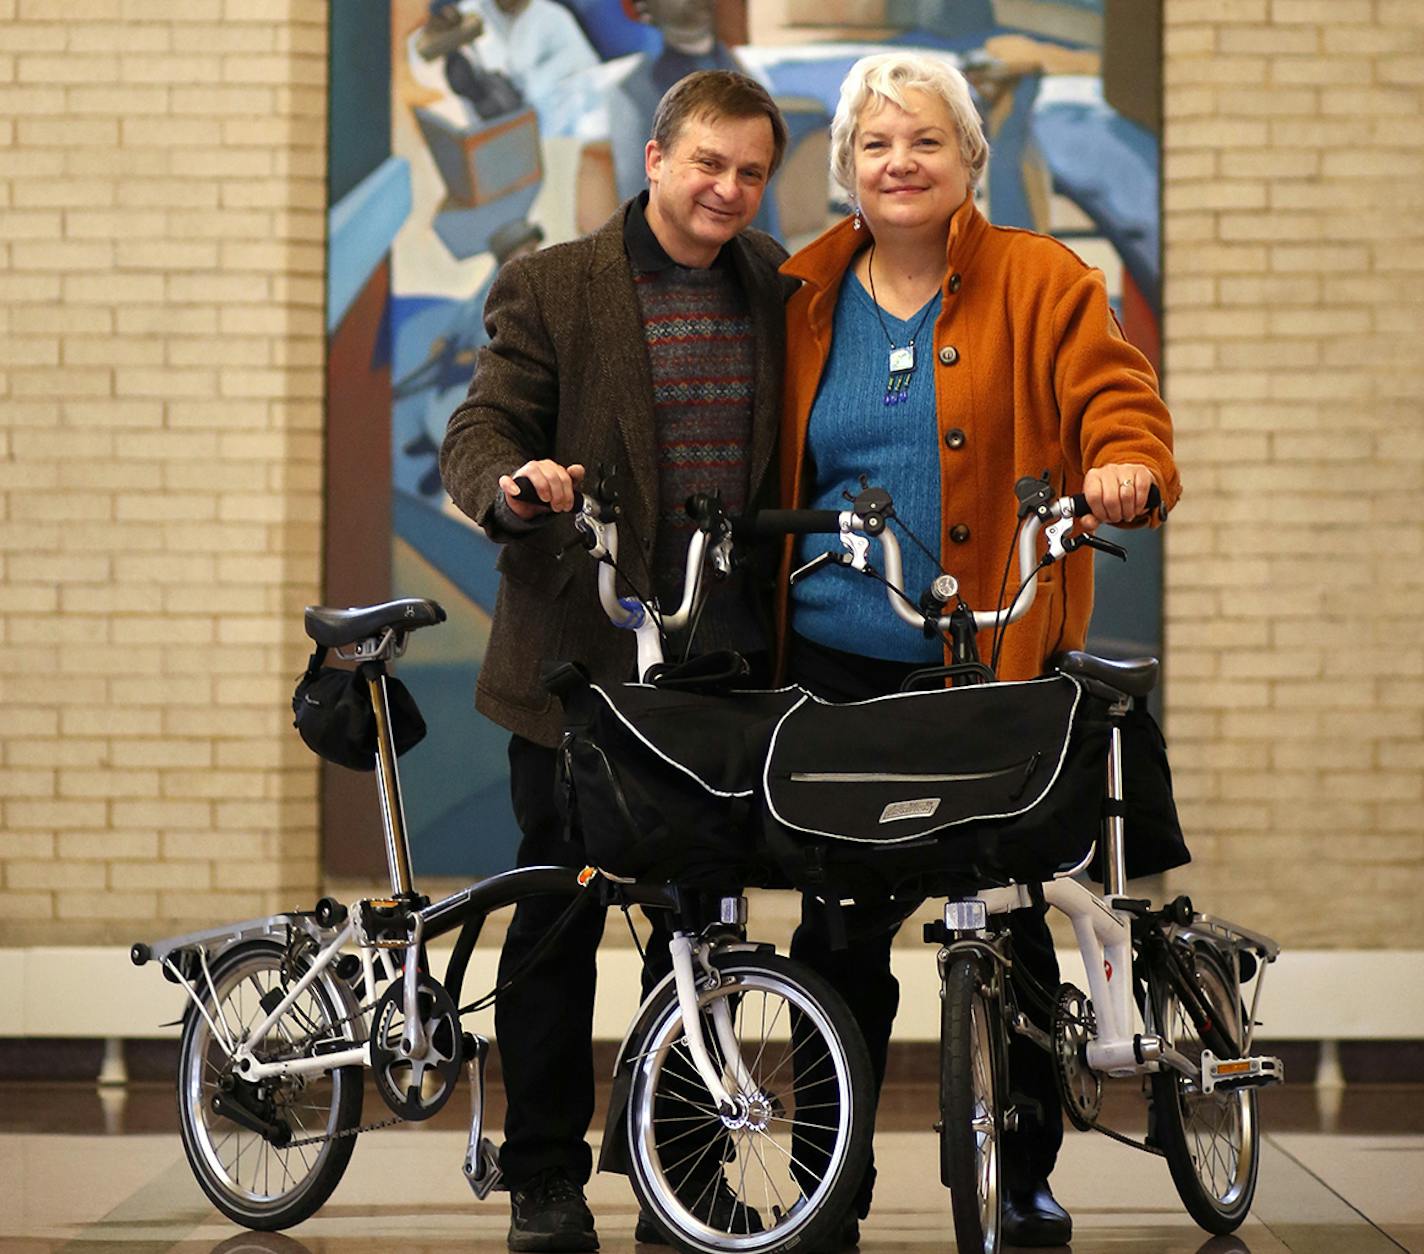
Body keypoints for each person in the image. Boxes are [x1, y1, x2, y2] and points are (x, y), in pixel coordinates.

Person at [775, 52, 1180, 1249]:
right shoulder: (800, 287)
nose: (898, 164)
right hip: (837, 662)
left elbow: (1117, 399)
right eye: (875, 145)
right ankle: (820, 1181)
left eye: (924, 143)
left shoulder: (1043, 278)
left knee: (999, 922)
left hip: (989, 652)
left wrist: (1125, 468)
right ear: (846, 166)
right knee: (831, 934)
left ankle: (1021, 1168)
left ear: (968, 162)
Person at [440, 70, 790, 1253]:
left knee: (705, 931)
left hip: (719, 670)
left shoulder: (781, 288)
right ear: (654, 158)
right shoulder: (553, 285)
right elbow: (482, 425)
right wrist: (514, 485)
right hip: (575, 665)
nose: (727, 189)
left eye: (749, 170)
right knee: (557, 925)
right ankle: (544, 1178)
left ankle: (677, 1172)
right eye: (707, 162)